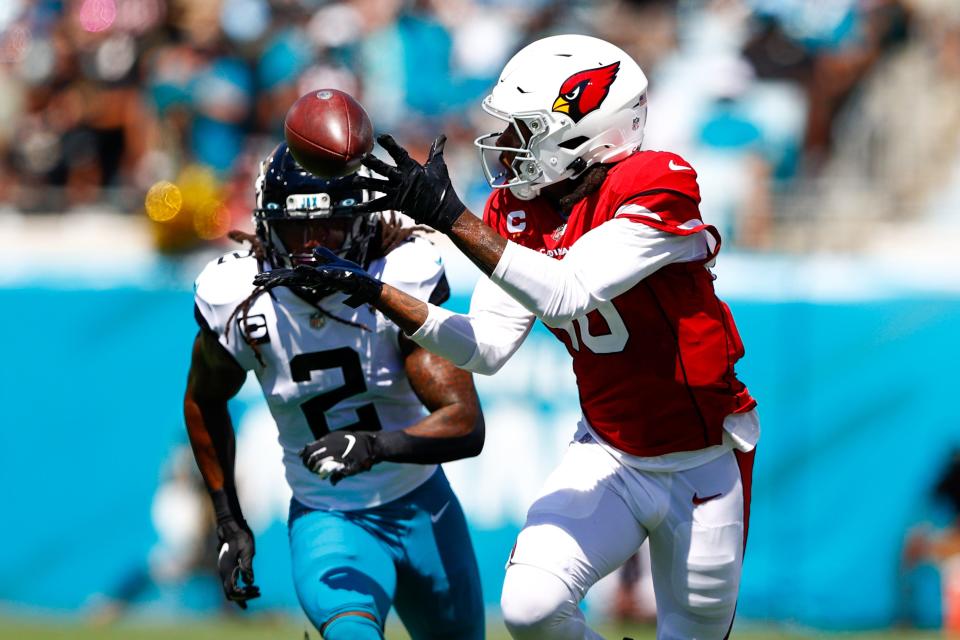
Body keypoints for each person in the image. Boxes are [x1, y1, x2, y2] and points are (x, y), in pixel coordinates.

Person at [260, 34, 761, 640]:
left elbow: (569, 290)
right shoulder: (517, 210)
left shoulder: (657, 180)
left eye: (526, 129)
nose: (509, 145)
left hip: (700, 462)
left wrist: (449, 216)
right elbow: (484, 349)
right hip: (609, 454)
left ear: (587, 131)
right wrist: (374, 292)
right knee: (529, 607)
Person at [183, 143, 486, 640]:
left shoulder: (399, 278)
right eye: (295, 228)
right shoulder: (237, 297)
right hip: (328, 516)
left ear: (363, 223)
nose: (310, 247)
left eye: (327, 228)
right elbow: (203, 399)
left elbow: (464, 422)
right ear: (266, 225)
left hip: (422, 506)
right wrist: (227, 518)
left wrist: (373, 445)